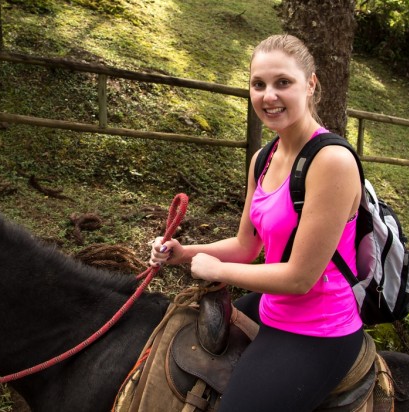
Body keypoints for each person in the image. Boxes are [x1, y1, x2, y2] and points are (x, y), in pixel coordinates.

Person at [149, 34, 364, 411]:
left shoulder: (332, 162)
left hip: (318, 328)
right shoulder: (264, 158)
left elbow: (300, 278)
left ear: (310, 84)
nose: (269, 96)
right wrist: (185, 253)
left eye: (283, 82)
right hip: (271, 304)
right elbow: (247, 246)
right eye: (258, 84)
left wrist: (219, 270)